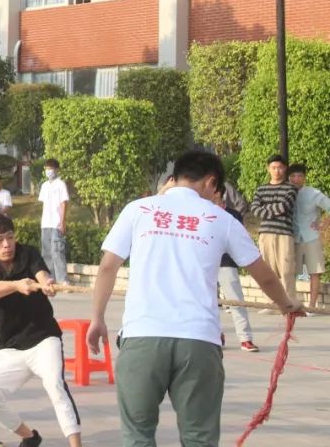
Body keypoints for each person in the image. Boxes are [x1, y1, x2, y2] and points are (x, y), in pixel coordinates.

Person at [88, 150, 303, 447]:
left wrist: (97, 318)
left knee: (137, 436)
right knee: (199, 437)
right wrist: (286, 305)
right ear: (211, 182)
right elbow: (264, 275)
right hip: (198, 342)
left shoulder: (138, 209)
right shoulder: (221, 219)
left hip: (142, 337)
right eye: (218, 190)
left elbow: (107, 267)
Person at [0, 213, 81, 447]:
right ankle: (29, 437)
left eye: (10, 237)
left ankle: (75, 444)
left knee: (55, 387)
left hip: (44, 339)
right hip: (11, 347)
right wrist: (15, 286)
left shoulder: (28, 253)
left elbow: (42, 274)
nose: (7, 244)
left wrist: (47, 283)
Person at [211, 184, 258, 352]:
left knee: (236, 301)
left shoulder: (233, 215)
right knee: (208, 303)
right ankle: (215, 335)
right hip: (206, 263)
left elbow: (240, 241)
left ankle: (245, 338)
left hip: (226, 263)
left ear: (220, 194)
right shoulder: (201, 213)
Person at [250, 154, 298, 304]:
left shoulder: (290, 188)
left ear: (285, 169)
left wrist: (265, 210)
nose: (277, 171)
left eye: (280, 167)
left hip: (284, 234)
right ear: (268, 169)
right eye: (274, 167)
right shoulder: (261, 189)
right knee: (268, 270)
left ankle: (290, 303)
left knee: (286, 270)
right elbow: (254, 209)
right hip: (265, 234)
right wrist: (273, 211)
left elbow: (285, 206)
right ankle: (271, 303)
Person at [288, 163, 330, 312]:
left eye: (299, 176)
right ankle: (292, 304)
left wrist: (324, 224)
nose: (296, 179)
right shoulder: (286, 193)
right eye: (293, 176)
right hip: (293, 238)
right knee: (290, 272)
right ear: (289, 178)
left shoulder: (313, 193)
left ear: (304, 178)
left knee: (314, 272)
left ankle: (312, 307)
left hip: (311, 237)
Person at [38, 159, 70, 286]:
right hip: (45, 223)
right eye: (46, 169)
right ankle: (51, 279)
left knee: (57, 251)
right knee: (46, 253)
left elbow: (64, 203)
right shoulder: (44, 185)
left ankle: (63, 280)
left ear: (56, 170)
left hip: (56, 223)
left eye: (50, 169)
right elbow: (44, 204)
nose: (48, 171)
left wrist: (62, 221)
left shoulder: (61, 184)